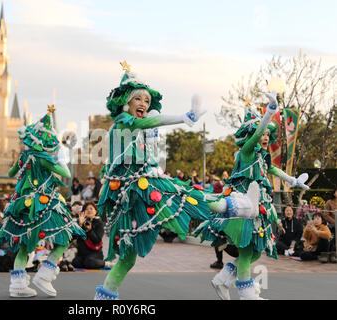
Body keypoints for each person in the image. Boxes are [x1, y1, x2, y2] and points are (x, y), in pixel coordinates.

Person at [94, 63, 257, 300]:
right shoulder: (123, 124)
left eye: (146, 101)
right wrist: (184, 117)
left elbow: (149, 127)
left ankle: (104, 297)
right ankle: (238, 207)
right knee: (183, 194)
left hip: (136, 189)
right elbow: (149, 122)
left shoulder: (134, 130)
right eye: (137, 98)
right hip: (136, 188)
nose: (143, 104)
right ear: (125, 102)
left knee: (128, 257)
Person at [195, 92, 310, 300]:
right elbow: (256, 135)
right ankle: (247, 295)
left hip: (258, 208)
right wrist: (270, 112)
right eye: (262, 133)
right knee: (247, 253)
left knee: (256, 252)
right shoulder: (247, 151)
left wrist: (293, 180)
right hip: (242, 207)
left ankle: (222, 280)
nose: (265, 136)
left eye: (268, 134)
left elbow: (274, 170)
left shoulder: (261, 157)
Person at [0, 106, 85, 298]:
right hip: (43, 202)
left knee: (24, 245)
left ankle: (17, 285)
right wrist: (60, 159)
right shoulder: (43, 158)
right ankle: (45, 275)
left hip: (21, 203)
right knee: (64, 236)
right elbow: (66, 174)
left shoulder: (25, 156)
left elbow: (11, 173)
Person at [72, 202, 112, 270]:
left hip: (95, 253)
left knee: (89, 262)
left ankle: (106, 263)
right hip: (82, 253)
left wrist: (90, 230)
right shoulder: (80, 222)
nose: (89, 210)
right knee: (75, 262)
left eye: (91, 208)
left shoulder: (99, 223)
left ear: (95, 211)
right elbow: (73, 238)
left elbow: (97, 240)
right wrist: (80, 225)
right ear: (83, 212)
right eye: (86, 209)